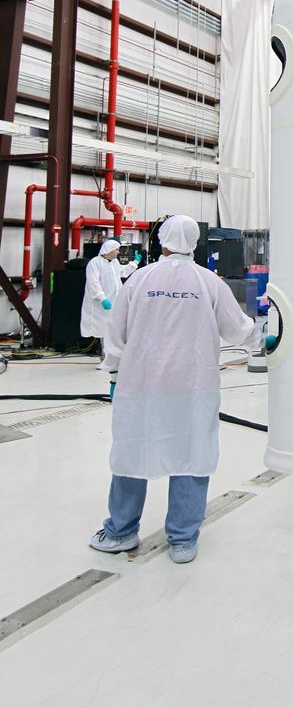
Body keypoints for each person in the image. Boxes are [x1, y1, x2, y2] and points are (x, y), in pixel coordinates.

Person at [89, 215, 266, 565]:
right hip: (193, 387)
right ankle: (183, 540)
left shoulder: (139, 279)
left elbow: (116, 333)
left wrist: (113, 373)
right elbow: (238, 328)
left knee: (132, 453)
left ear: (163, 241)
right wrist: (267, 340)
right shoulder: (208, 282)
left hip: (141, 385)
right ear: (195, 243)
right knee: (192, 454)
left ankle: (121, 532)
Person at [80, 238, 134, 363]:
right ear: (109, 250)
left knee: (113, 329)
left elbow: (123, 272)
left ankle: (113, 356)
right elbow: (93, 283)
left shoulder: (114, 262)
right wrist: (102, 298)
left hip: (114, 302)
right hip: (100, 305)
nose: (118, 252)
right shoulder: (95, 263)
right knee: (103, 331)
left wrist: (135, 262)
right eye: (116, 249)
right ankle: (104, 357)